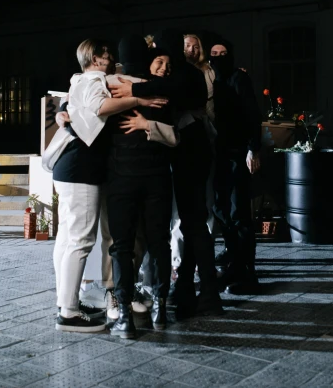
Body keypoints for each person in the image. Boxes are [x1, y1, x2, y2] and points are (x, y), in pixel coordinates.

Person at [51, 39, 168, 332]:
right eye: (104, 54)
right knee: (80, 240)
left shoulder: (88, 78)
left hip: (72, 166)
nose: (110, 57)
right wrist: (140, 100)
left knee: (67, 238)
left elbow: (123, 82)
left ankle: (66, 302)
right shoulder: (91, 79)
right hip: (81, 167)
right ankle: (68, 312)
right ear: (92, 57)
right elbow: (99, 105)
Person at [109, 29, 223, 318]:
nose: (159, 59)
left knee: (194, 223)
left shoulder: (184, 75)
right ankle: (186, 286)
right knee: (191, 222)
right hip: (191, 153)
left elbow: (169, 89)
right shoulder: (184, 73)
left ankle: (208, 292)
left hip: (192, 153)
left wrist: (134, 92)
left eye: (161, 51)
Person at [106, 35, 179, 338]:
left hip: (121, 176)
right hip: (156, 174)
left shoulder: (110, 87)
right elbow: (176, 133)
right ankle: (160, 308)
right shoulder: (162, 91)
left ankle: (124, 316)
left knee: (122, 245)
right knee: (158, 240)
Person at [208, 38, 263, 295]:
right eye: (214, 53)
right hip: (218, 156)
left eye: (223, 53)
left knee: (239, 213)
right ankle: (234, 262)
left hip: (237, 154)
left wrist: (253, 149)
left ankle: (247, 272)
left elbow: (252, 114)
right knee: (222, 211)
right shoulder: (211, 80)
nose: (218, 57)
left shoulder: (239, 80)